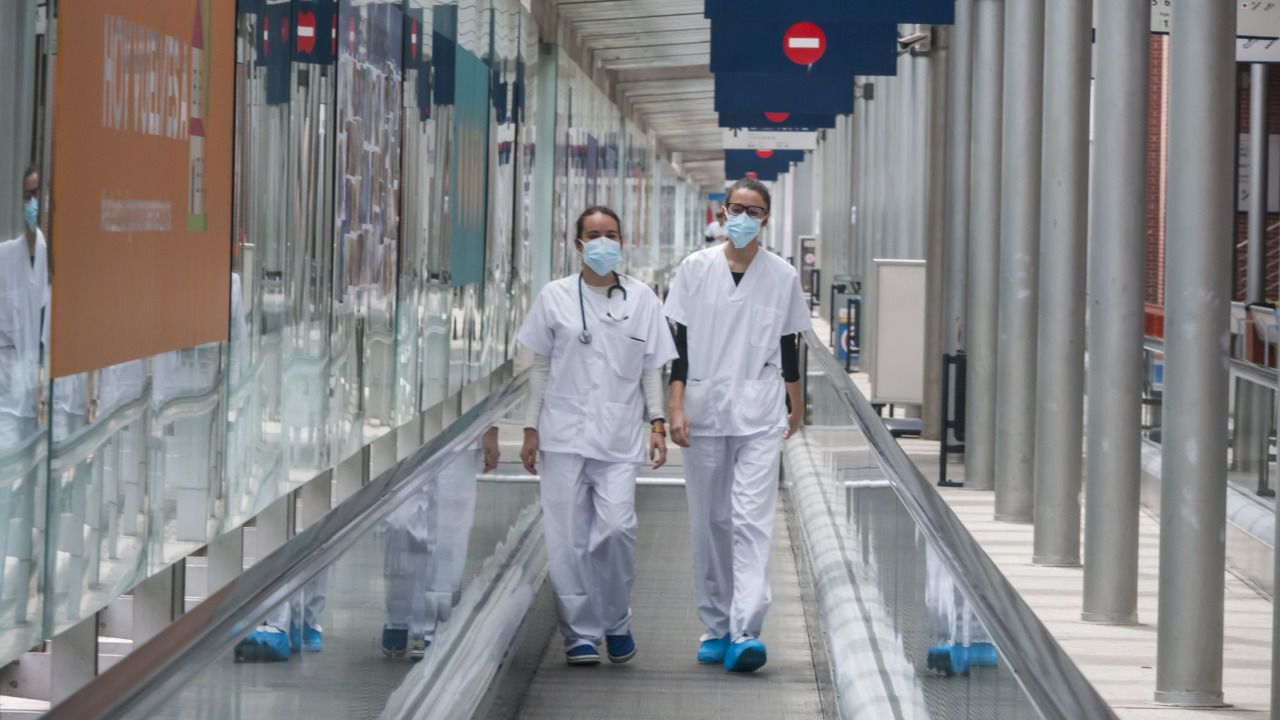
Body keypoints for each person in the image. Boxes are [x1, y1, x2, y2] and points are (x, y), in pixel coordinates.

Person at [516, 206, 677, 666]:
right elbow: (539, 366)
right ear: (578, 244)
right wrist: (530, 427)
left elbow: (650, 368)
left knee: (616, 530)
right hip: (561, 434)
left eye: (611, 234)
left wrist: (657, 423)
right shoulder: (554, 297)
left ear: (622, 242)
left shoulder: (642, 299)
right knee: (567, 539)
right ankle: (580, 634)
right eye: (593, 235)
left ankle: (617, 621)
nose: (603, 242)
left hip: (619, 436)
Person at [664, 177, 810, 673]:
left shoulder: (782, 275)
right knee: (709, 520)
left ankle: (746, 629)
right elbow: (679, 346)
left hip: (759, 412)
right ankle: (715, 626)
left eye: (755, 210)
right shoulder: (695, 268)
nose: (744, 218)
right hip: (703, 408)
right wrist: (676, 406)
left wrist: (795, 403)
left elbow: (788, 345)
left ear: (767, 218)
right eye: (737, 208)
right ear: (723, 211)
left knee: (750, 519)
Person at [380, 426, 497, 660]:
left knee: (449, 534)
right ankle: (398, 616)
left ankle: (433, 624)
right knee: (400, 524)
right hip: (408, 432)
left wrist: (491, 430)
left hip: (461, 436)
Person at [0, 165, 48, 448]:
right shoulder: (4, 258)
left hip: (45, 402)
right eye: (27, 196)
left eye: (37, 194)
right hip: (7, 402)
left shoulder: (53, 259)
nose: (32, 203)